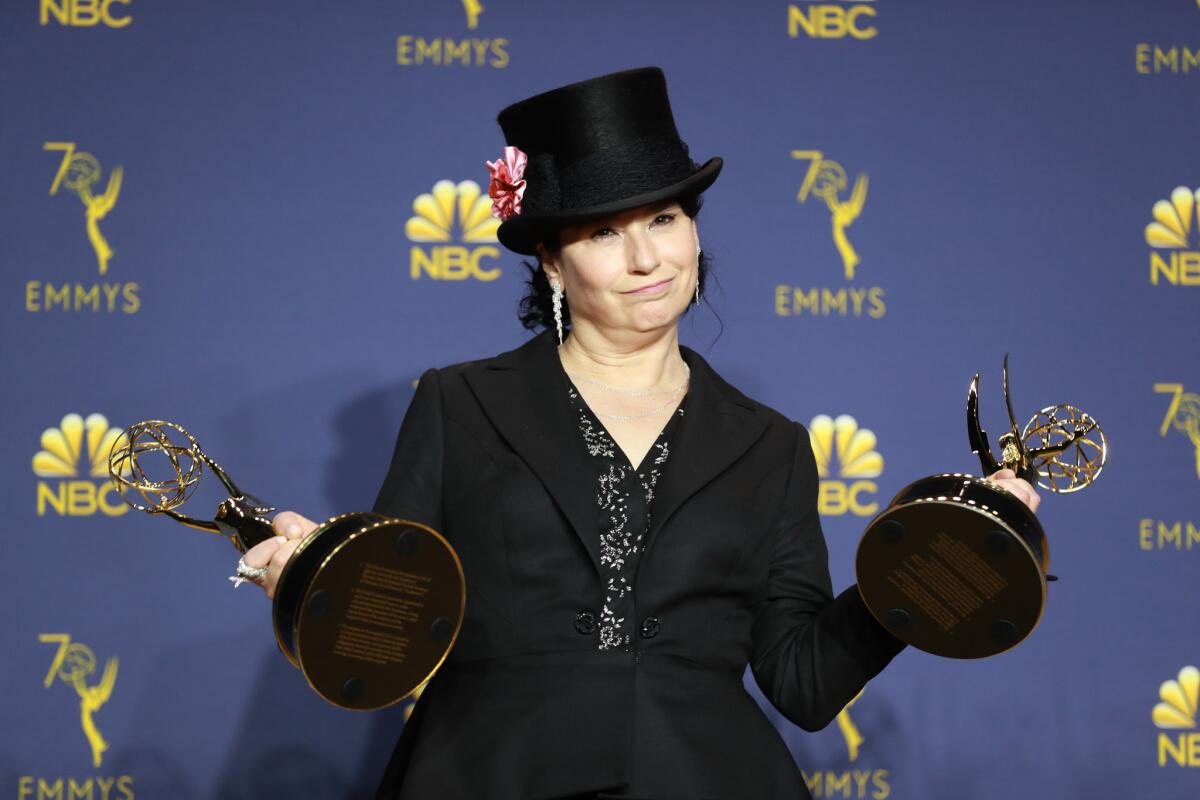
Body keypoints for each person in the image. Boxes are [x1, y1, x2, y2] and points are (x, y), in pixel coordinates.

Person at [240, 67, 1041, 800]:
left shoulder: (772, 445)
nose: (645, 258)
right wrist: (315, 586)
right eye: (601, 233)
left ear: (694, 231)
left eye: (663, 218)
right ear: (552, 262)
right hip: (490, 773)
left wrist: (938, 559)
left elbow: (802, 682)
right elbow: (401, 617)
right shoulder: (459, 405)